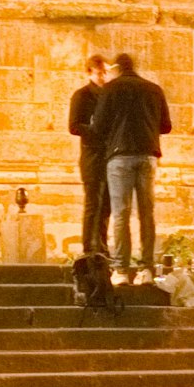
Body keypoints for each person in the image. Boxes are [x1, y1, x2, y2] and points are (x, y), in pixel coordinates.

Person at [90, 51, 172, 280]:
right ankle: (146, 268)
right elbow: (166, 126)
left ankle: (122, 270)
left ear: (117, 68)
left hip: (120, 156)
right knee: (147, 213)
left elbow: (99, 127)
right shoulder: (154, 89)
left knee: (121, 214)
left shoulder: (110, 89)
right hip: (148, 156)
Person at [64, 54, 111, 262]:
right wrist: (97, 130)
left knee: (107, 205)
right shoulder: (82, 96)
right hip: (92, 156)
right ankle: (89, 247)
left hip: (109, 156)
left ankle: (102, 245)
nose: (103, 77)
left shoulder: (109, 95)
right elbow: (74, 126)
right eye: (100, 73)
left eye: (105, 73)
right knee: (94, 203)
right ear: (90, 73)